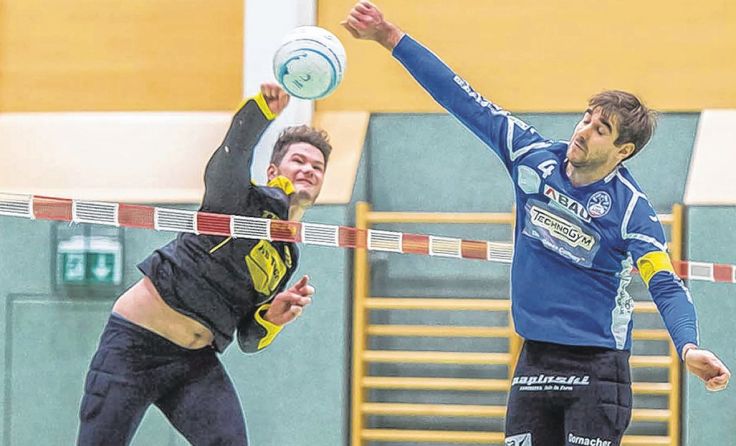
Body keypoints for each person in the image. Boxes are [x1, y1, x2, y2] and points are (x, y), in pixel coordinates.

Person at [343, 2, 731, 445]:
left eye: (601, 129)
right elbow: (463, 99)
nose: (583, 131)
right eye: (586, 118)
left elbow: (664, 283)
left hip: (598, 368)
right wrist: (389, 37)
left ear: (623, 151)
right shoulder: (532, 156)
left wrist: (688, 345)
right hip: (534, 361)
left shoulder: (632, 212)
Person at [77, 83, 331, 445]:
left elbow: (247, 338)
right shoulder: (238, 200)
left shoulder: (286, 256)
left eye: (317, 167)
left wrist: (271, 318)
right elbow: (232, 154)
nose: (308, 170)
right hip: (134, 345)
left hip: (192, 362)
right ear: (274, 169)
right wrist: (259, 112)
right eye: (299, 161)